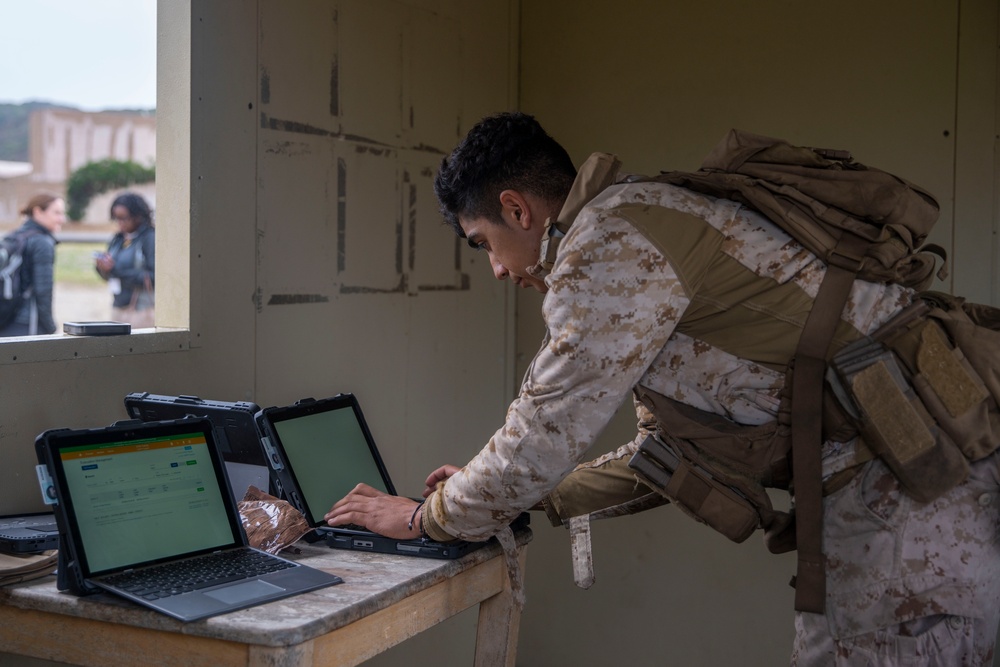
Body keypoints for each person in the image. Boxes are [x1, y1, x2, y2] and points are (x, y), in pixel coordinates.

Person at [324, 112, 1000, 665]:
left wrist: (426, 517)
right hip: (916, 472)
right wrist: (513, 494)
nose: (498, 270)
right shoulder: (642, 224)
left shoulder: (607, 243)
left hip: (908, 490)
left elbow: (543, 429)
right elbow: (662, 451)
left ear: (516, 208)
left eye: (484, 244)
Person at [0, 193, 66, 337]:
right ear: (37, 212)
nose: (62, 219)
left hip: (6, 319)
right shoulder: (42, 243)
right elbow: (43, 290)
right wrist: (50, 326)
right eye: (56, 213)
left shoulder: (14, 235)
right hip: (29, 323)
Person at [95, 192, 155, 328]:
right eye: (116, 218)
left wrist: (116, 270)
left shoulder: (149, 238)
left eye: (124, 218)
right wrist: (102, 268)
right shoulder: (117, 239)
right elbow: (109, 275)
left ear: (138, 216)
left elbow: (154, 276)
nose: (120, 223)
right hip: (118, 307)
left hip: (141, 311)